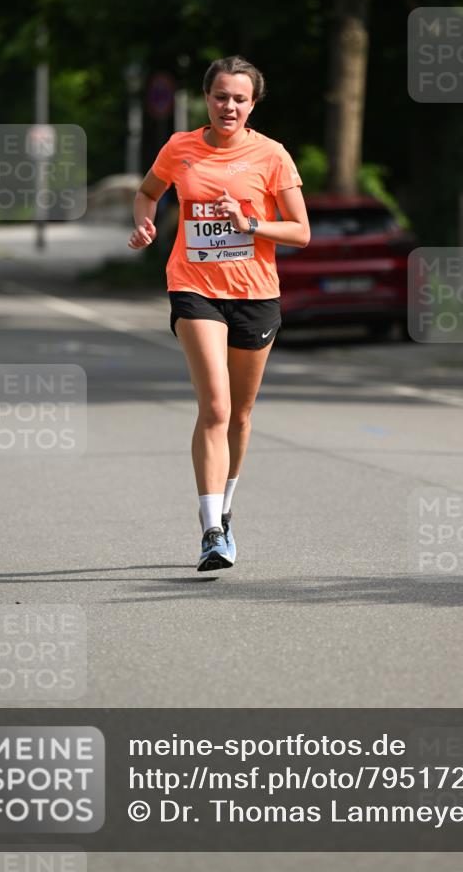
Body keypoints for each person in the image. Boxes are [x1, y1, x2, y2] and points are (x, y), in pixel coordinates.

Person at [129, 55, 310, 571]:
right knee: (215, 406)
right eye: (219, 96)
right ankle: (210, 531)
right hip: (194, 287)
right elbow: (147, 193)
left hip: (255, 294)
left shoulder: (272, 155)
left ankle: (225, 512)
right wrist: (145, 224)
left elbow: (300, 232)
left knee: (241, 414)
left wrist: (251, 223)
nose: (228, 106)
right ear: (206, 99)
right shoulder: (179, 147)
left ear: (252, 105)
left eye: (239, 99)